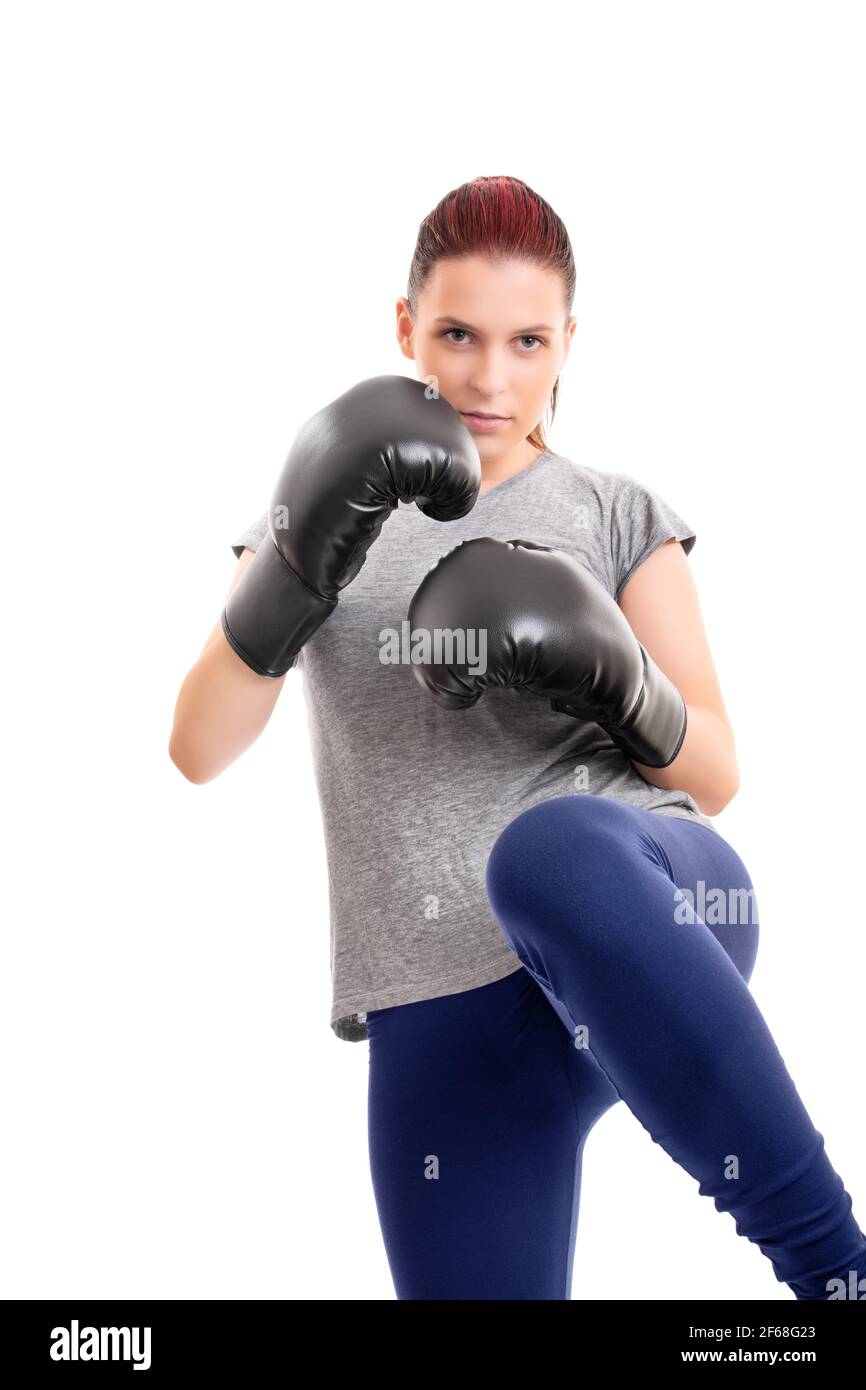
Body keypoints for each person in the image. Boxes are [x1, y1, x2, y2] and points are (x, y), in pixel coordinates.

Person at [169, 174, 866, 1301]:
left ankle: (840, 1274)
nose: (490, 377)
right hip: (437, 996)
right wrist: (294, 573)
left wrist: (615, 675)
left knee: (546, 852)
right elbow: (197, 748)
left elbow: (716, 773)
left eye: (526, 339)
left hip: (633, 909)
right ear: (405, 328)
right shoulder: (317, 510)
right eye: (456, 334)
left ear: (567, 341)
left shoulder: (613, 511)